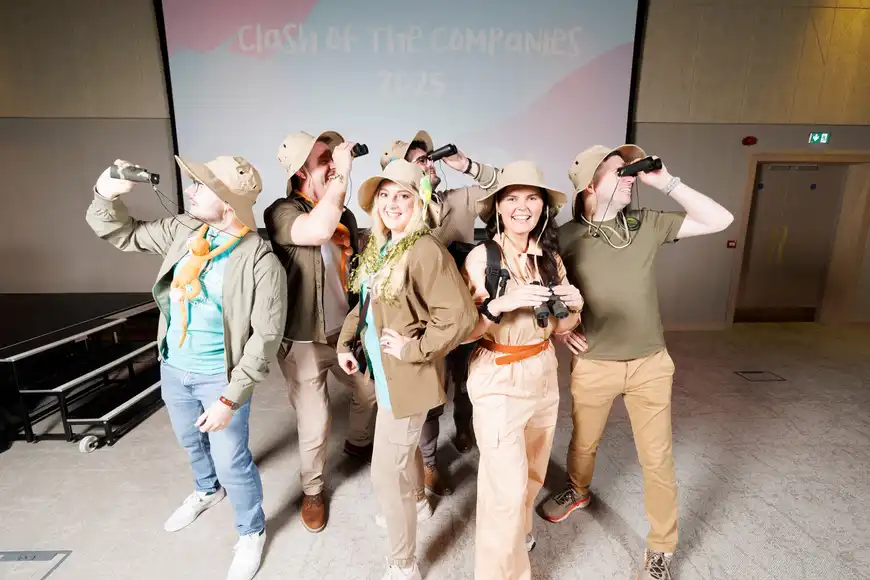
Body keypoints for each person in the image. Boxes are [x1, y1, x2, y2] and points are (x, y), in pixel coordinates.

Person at [86, 156, 287, 580]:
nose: (190, 191)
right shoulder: (185, 231)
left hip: (220, 376)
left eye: (201, 186)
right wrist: (107, 194)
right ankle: (206, 490)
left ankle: (251, 531)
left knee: (232, 458)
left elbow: (265, 340)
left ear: (230, 204)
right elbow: (123, 234)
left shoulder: (261, 263)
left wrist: (230, 398)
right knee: (189, 441)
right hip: (174, 366)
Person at [540, 145, 734, 580]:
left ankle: (662, 547)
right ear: (590, 185)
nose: (631, 176)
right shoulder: (566, 237)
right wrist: (564, 327)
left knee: (658, 459)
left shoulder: (645, 224)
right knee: (583, 444)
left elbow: (721, 220)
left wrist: (665, 182)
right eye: (619, 172)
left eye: (633, 171)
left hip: (651, 364)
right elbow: (549, 293)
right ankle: (577, 490)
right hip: (595, 363)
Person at [336, 159, 478, 580]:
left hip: (410, 379)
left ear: (419, 202)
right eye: (384, 195)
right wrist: (348, 342)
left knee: (384, 471)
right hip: (383, 375)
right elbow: (366, 305)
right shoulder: (380, 246)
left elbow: (459, 317)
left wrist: (415, 348)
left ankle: (403, 563)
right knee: (406, 452)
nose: (392, 204)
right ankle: (417, 499)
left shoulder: (424, 249)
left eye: (403, 195)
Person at [462, 161, 584, 580]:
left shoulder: (549, 259)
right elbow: (465, 332)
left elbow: (562, 325)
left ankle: (520, 533)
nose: (522, 206)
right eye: (512, 198)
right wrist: (502, 303)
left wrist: (573, 305)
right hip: (498, 376)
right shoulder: (484, 259)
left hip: (544, 372)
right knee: (504, 490)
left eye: (532, 197)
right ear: (498, 206)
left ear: (544, 207)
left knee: (532, 473)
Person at [264, 130, 378, 533]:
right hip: (303, 339)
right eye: (323, 160)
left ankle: (358, 445)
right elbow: (315, 230)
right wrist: (342, 179)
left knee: (369, 390)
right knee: (315, 423)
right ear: (299, 171)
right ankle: (312, 490)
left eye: (335, 156)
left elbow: (352, 263)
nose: (333, 163)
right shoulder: (280, 211)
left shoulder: (343, 214)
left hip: (342, 333)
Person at [377, 131, 499, 496]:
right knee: (426, 400)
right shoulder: (393, 213)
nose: (427, 164)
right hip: (418, 325)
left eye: (428, 158)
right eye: (417, 161)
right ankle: (429, 462)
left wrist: (467, 165)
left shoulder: (458, 201)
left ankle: (464, 426)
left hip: (461, 315)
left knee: (465, 379)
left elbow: (505, 185)